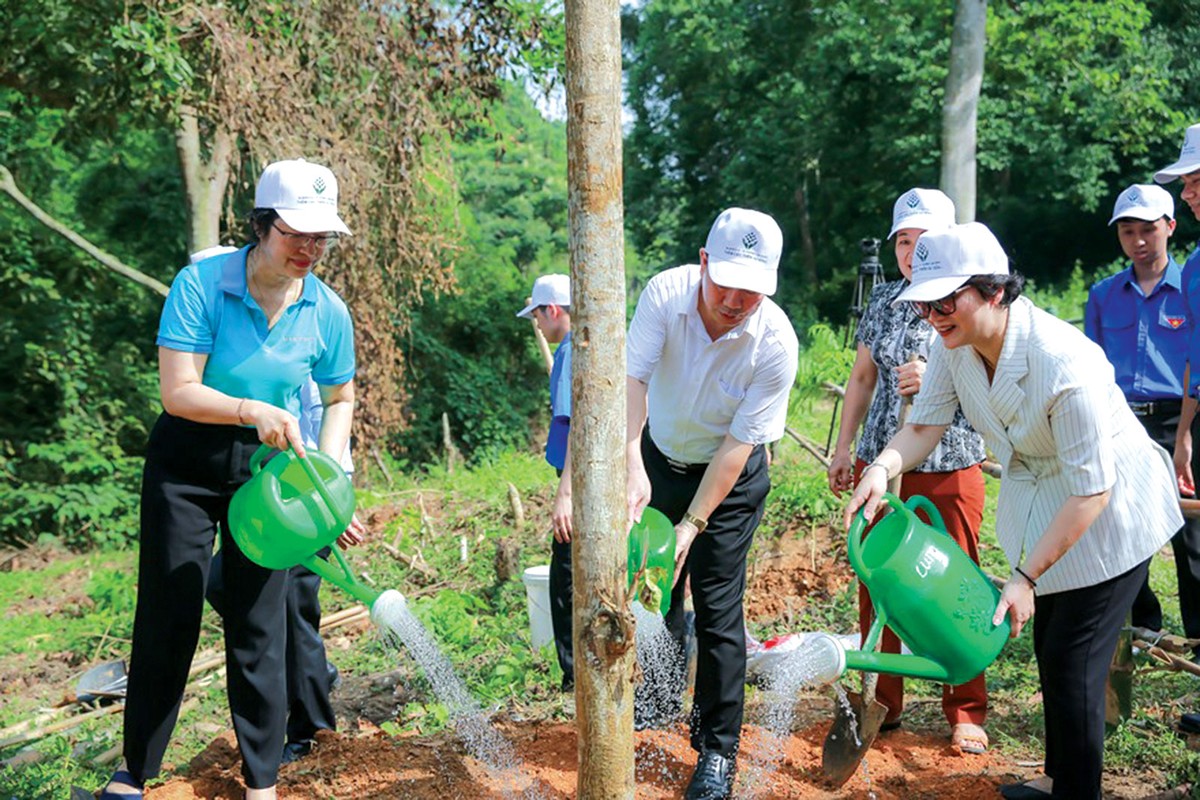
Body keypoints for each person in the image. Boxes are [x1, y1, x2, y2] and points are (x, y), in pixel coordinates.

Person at [845, 222, 1181, 799]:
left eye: (946, 300)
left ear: (995, 291)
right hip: (1053, 498)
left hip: (1112, 509)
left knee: (1074, 658)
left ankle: (1077, 791)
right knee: (1053, 646)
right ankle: (1058, 779)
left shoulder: (1062, 362)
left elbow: (1092, 491)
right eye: (926, 304)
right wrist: (882, 467)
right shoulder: (958, 346)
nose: (933, 315)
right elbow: (923, 424)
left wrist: (1025, 576)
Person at [100, 159, 366, 800]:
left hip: (268, 471)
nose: (310, 248)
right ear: (261, 225)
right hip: (186, 464)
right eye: (296, 232)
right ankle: (135, 773)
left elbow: (339, 400)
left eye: (321, 235)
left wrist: (327, 481)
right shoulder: (201, 284)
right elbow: (178, 392)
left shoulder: (327, 311)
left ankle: (262, 781)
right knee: (172, 612)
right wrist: (251, 410)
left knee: (260, 622)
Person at [626, 207, 798, 799]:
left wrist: (692, 525)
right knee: (655, 587)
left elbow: (737, 446)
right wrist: (629, 464)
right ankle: (655, 700)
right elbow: (633, 383)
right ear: (703, 262)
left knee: (719, 609)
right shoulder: (664, 296)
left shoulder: (774, 342)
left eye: (752, 290)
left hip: (729, 480)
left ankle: (716, 751)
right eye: (726, 283)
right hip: (658, 457)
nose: (735, 299)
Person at [827, 188, 990, 753]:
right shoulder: (885, 301)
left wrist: (935, 379)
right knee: (881, 582)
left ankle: (965, 707)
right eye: (902, 239)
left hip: (949, 461)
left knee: (955, 580)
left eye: (922, 240)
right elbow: (862, 379)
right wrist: (845, 446)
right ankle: (883, 698)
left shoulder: (966, 301)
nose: (909, 250)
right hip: (885, 460)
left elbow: (989, 386)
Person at [206, 374, 355, 765]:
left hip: (309, 498)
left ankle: (311, 733)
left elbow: (329, 410)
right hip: (273, 497)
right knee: (220, 581)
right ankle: (315, 675)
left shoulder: (306, 348)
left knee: (293, 608)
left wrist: (334, 499)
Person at [1084, 183, 1200, 646]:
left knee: (1190, 533)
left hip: (1180, 418)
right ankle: (1140, 627)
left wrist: (1186, 432)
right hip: (1122, 418)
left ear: (1170, 227)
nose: (1139, 241)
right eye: (1128, 231)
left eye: (1149, 229)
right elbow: (1091, 365)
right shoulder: (1103, 294)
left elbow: (1196, 361)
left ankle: (1196, 637)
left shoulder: (1189, 285)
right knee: (1123, 524)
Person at [516, 274, 575, 692]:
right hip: (578, 476)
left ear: (553, 310)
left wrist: (565, 495)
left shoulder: (574, 355)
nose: (536, 322)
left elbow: (578, 427)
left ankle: (576, 674)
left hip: (579, 482)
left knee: (566, 579)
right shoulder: (572, 352)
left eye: (537, 313)